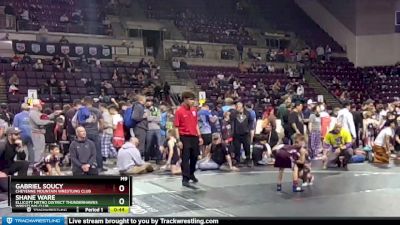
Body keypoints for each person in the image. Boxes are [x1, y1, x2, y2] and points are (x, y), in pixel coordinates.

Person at [174, 91, 202, 188]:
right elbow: (176, 127)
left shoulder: (194, 110)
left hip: (194, 137)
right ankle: (185, 178)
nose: (193, 102)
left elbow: (196, 124)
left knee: (195, 157)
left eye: (193, 99)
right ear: (185, 99)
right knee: (185, 159)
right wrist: (178, 140)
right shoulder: (179, 111)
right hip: (184, 137)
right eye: (191, 99)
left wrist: (199, 136)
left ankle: (191, 173)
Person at [78, 96, 105, 172]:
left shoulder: (81, 111)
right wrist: (100, 130)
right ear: (92, 102)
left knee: (84, 150)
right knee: (97, 150)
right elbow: (102, 122)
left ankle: (85, 167)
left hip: (85, 133)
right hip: (95, 132)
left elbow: (79, 123)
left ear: (85, 102)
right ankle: (100, 167)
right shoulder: (97, 110)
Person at [231, 102, 253, 167]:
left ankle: (248, 160)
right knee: (237, 148)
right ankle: (237, 161)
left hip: (245, 134)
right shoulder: (234, 113)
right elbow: (231, 120)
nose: (238, 107)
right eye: (237, 106)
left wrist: (248, 129)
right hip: (236, 134)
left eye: (239, 106)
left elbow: (251, 122)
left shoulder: (248, 113)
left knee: (247, 147)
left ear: (242, 106)